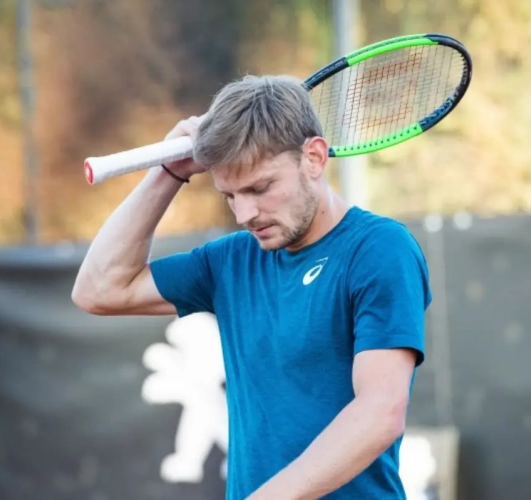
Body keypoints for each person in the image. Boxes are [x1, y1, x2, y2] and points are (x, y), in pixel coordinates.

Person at [71, 74, 432, 500]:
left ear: (314, 158)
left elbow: (380, 413)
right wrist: (167, 173)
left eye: (260, 188)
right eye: (230, 195)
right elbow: (99, 289)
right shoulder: (230, 261)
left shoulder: (379, 248)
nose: (244, 213)